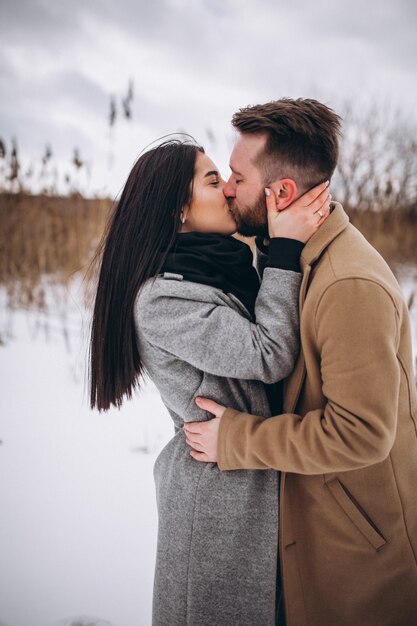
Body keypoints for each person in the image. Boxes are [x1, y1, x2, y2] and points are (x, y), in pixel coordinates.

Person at [184, 98, 417, 626]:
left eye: (237, 178)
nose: (226, 188)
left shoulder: (347, 284)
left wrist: (237, 440)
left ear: (281, 193)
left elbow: (361, 433)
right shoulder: (293, 256)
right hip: (314, 535)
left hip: (359, 567)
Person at [88, 137, 331, 626]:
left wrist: (270, 241)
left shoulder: (213, 271)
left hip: (250, 478)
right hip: (217, 505)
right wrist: (284, 248)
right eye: (213, 181)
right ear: (179, 209)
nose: (226, 192)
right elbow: (268, 354)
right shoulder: (162, 300)